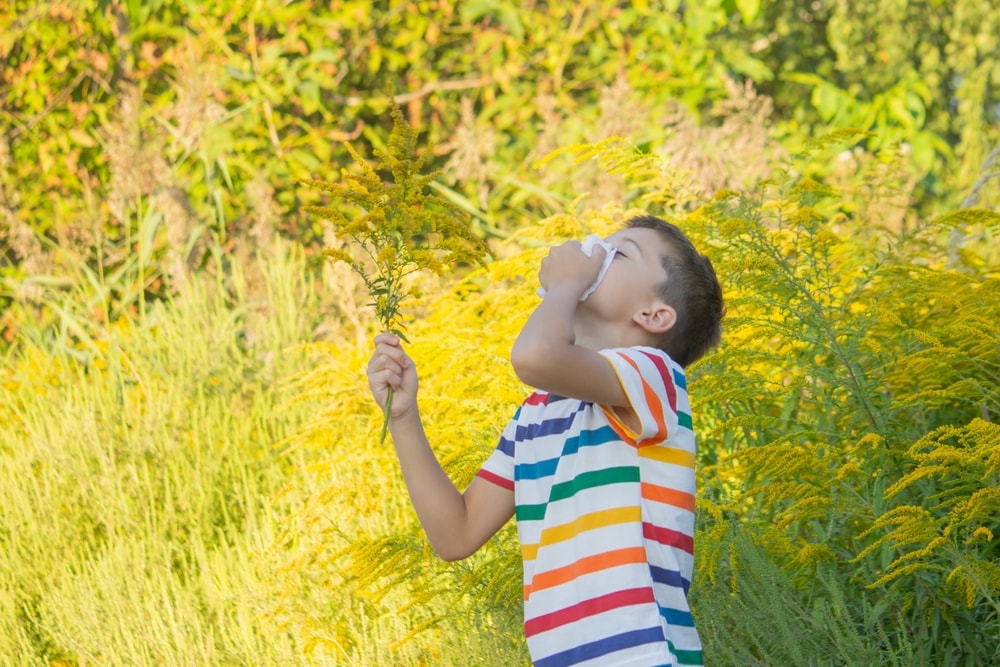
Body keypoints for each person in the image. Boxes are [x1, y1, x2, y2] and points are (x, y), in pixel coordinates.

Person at [366, 214, 724, 667]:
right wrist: (402, 417)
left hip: (643, 653)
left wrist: (565, 286)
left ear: (654, 316)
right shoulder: (538, 413)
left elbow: (536, 356)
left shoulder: (656, 377)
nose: (594, 252)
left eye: (618, 252)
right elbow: (455, 534)